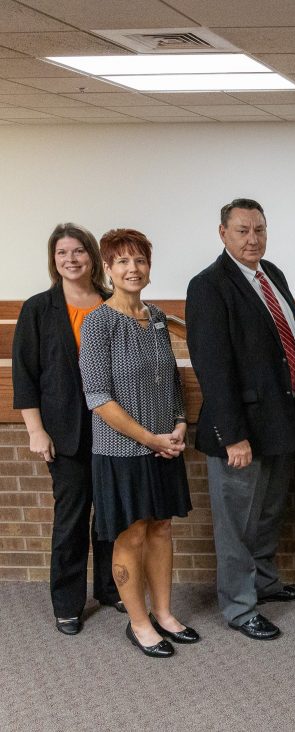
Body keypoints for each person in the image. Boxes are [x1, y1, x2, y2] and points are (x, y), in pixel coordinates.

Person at [185, 198, 295, 642]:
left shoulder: (271, 274)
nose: (252, 238)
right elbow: (213, 369)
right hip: (240, 433)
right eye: (242, 230)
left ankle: (264, 582)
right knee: (237, 523)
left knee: (267, 514)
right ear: (222, 233)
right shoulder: (208, 286)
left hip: (279, 422)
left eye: (259, 229)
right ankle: (239, 607)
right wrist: (233, 436)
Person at [79, 228, 196, 658]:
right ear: (107, 269)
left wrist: (180, 422)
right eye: (123, 262)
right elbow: (97, 397)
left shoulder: (159, 318)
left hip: (165, 445)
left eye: (140, 260)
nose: (133, 269)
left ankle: (164, 613)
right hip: (121, 451)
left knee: (162, 528)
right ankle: (140, 623)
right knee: (130, 536)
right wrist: (150, 438)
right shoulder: (98, 322)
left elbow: (172, 378)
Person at [12, 223, 122, 635]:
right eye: (62, 253)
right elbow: (25, 376)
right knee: (72, 520)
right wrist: (35, 431)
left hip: (114, 430)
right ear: (53, 259)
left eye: (78, 252)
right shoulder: (39, 308)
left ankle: (111, 590)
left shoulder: (113, 303)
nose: (70, 260)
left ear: (93, 257)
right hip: (65, 435)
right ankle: (67, 603)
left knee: (112, 516)